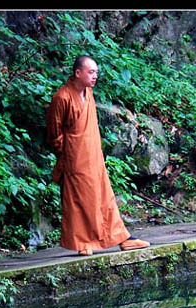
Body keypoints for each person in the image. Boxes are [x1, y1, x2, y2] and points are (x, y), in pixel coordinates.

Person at [46, 55, 149, 256]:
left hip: (94, 154)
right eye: (91, 72)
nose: (95, 77)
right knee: (79, 199)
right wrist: (67, 153)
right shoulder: (62, 97)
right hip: (75, 157)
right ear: (78, 73)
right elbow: (54, 133)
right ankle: (82, 241)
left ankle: (122, 238)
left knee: (104, 197)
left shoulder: (89, 93)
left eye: (96, 73)